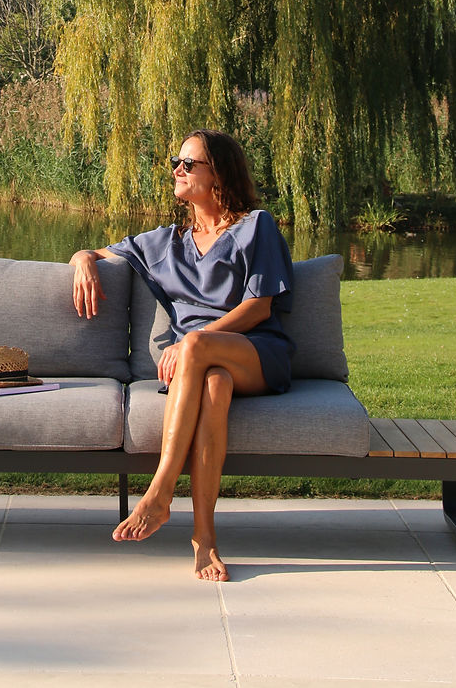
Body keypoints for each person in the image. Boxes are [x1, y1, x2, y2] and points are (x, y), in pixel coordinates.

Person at [69, 128, 294, 582]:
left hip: (255, 351)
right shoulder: (166, 242)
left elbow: (259, 306)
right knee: (215, 385)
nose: (177, 169)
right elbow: (96, 250)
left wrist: (195, 341)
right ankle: (204, 540)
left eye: (189, 164)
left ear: (219, 176)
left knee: (201, 352)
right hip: (197, 368)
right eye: (177, 161)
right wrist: (82, 260)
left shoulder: (256, 226)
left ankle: (160, 491)